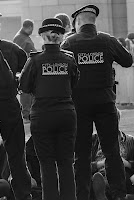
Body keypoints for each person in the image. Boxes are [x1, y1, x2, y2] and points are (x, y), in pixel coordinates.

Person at [61, 4, 133, 200]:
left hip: (79, 105)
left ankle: (81, 196)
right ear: (93, 21)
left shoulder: (68, 43)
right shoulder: (107, 40)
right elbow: (127, 60)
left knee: (81, 155)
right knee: (112, 151)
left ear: (77, 22)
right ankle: (118, 195)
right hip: (105, 103)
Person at [19, 18, 79, 200]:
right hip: (66, 113)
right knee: (66, 163)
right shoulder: (69, 59)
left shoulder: (35, 60)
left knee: (46, 164)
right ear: (61, 37)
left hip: (43, 115)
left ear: (42, 37)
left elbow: (24, 85)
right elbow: (75, 83)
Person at [0, 15, 32, 200]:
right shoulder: (11, 48)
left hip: (8, 105)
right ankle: (23, 194)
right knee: (17, 154)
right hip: (8, 105)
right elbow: (26, 70)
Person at [91, 109, 134, 200]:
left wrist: (126, 163)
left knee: (117, 175)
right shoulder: (93, 140)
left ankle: (103, 196)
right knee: (98, 179)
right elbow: (82, 165)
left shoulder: (131, 141)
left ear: (117, 120)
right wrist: (100, 163)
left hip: (121, 173)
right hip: (99, 173)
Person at [13, 19, 36, 123]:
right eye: (32, 29)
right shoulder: (21, 38)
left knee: (28, 91)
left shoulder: (22, 37)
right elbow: (21, 54)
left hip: (27, 68)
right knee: (26, 91)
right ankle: (26, 114)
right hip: (25, 69)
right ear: (29, 27)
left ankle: (28, 113)